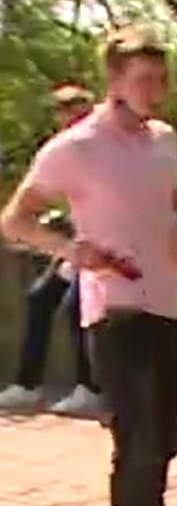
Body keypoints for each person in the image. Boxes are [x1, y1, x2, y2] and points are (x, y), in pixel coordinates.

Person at [0, 26, 177, 506]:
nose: (157, 90)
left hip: (170, 303)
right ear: (114, 81)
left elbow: (173, 210)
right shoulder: (76, 147)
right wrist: (72, 250)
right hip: (114, 309)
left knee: (168, 435)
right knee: (137, 437)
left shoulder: (164, 141)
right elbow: (16, 220)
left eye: (162, 78)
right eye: (144, 79)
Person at [0, 84, 106, 417]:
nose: (67, 127)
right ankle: (28, 384)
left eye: (73, 118)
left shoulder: (104, 148)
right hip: (76, 242)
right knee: (40, 297)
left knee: (77, 307)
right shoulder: (67, 151)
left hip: (105, 245)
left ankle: (90, 388)